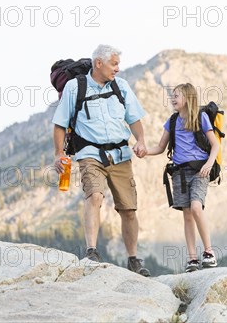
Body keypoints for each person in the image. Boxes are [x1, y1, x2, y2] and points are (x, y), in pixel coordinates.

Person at [52, 44, 150, 277]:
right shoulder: (76, 87)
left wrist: (141, 140)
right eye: (114, 64)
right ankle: (92, 251)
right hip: (89, 154)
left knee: (128, 209)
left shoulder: (121, 86)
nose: (117, 68)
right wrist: (59, 153)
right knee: (94, 195)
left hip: (120, 155)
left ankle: (134, 259)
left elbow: (134, 118)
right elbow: (59, 123)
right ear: (98, 63)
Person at [146, 83, 219, 272]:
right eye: (172, 96)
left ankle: (209, 253)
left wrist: (209, 164)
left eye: (176, 95)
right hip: (179, 173)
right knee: (187, 214)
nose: (172, 99)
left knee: (196, 207)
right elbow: (160, 147)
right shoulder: (172, 121)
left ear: (187, 98)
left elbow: (215, 145)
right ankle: (193, 259)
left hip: (200, 170)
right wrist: (144, 151)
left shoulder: (201, 117)